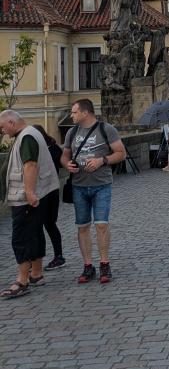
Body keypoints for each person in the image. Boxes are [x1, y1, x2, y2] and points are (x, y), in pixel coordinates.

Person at [59, 100, 126, 284]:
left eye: (74, 112)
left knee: (101, 225)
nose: (71, 115)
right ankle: (88, 266)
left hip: (101, 184)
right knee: (82, 227)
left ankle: (104, 263)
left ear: (85, 113)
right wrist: (67, 164)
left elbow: (121, 153)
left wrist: (102, 160)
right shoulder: (72, 132)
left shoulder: (106, 129)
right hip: (79, 185)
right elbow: (64, 156)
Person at [0, 110, 60, 299]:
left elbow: (30, 165)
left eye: (2, 127)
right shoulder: (31, 132)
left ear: (11, 122)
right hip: (38, 193)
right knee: (34, 233)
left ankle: (22, 280)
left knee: (21, 237)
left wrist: (29, 192)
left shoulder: (26, 137)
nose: (3, 131)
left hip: (25, 197)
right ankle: (36, 274)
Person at [33, 124, 66, 268]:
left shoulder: (42, 150)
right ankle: (58, 256)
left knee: (40, 226)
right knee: (50, 224)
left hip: (43, 192)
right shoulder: (54, 148)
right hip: (53, 191)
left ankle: (36, 261)